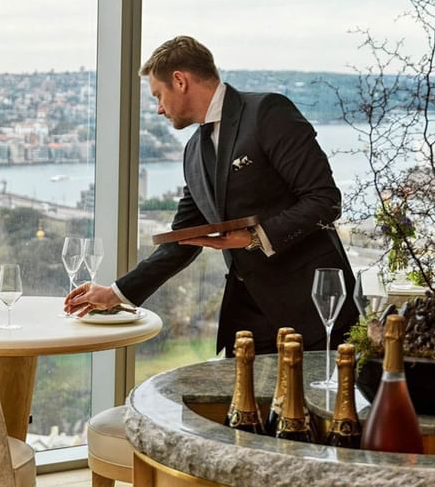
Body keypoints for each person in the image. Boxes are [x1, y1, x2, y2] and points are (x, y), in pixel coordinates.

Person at [64, 35, 358, 355]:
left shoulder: (267, 112)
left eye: (158, 96)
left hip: (313, 311)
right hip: (247, 319)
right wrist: (115, 293)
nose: (159, 109)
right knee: (241, 406)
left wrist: (255, 237)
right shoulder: (193, 152)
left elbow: (325, 200)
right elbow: (180, 242)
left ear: (180, 80)